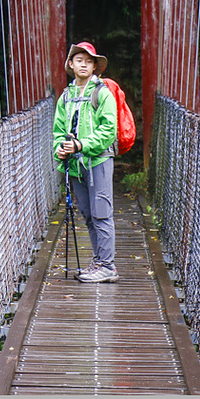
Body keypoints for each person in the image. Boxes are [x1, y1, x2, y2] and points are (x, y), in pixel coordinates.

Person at [53, 41, 119, 283]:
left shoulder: (102, 93)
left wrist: (82, 145)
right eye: (79, 60)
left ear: (94, 67)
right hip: (76, 165)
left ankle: (108, 266)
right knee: (89, 214)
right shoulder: (66, 96)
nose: (84, 64)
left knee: (102, 213)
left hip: (98, 160)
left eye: (89, 61)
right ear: (71, 65)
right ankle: (99, 261)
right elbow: (58, 130)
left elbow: (109, 130)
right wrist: (60, 149)